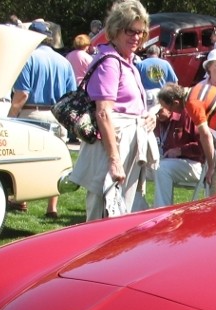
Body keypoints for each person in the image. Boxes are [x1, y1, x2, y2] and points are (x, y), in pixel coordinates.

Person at [68, 1, 159, 220]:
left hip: (127, 144)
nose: (136, 37)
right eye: (130, 31)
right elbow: (103, 113)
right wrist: (114, 159)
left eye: (140, 32)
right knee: (104, 214)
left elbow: (130, 106)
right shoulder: (110, 62)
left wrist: (148, 118)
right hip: (113, 147)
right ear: (116, 29)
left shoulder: (127, 61)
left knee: (120, 214)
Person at [8, 21, 76, 218]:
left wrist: (11, 116)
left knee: (24, 159)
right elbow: (71, 94)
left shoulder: (28, 58)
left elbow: (22, 94)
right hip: (57, 115)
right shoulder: (64, 62)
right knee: (57, 162)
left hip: (32, 113)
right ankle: (51, 207)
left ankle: (22, 200)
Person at [150, 83, 205, 208]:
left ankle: (162, 211)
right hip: (167, 160)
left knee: (161, 168)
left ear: (174, 104)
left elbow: (203, 146)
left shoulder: (189, 114)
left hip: (193, 164)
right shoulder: (158, 119)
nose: (159, 113)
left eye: (163, 108)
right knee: (139, 166)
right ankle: (135, 209)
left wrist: (181, 150)